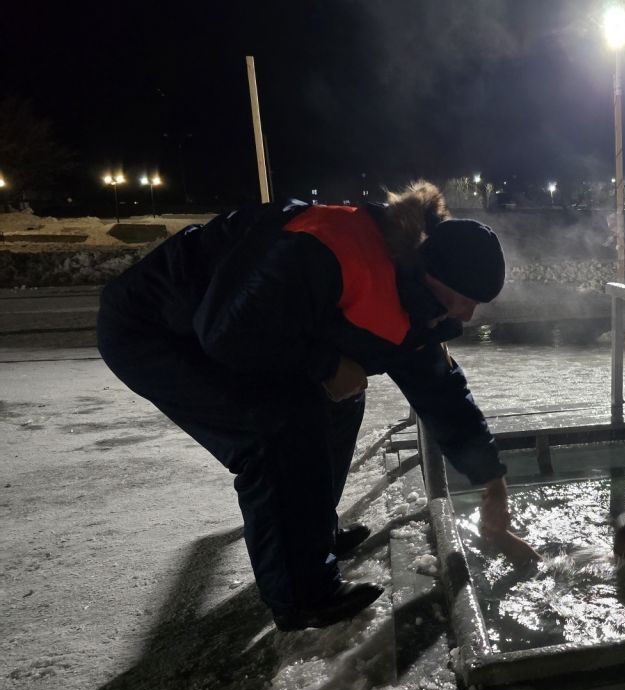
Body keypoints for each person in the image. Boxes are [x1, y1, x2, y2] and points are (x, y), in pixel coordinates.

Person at [97, 180, 517, 631]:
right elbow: (229, 331)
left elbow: (442, 393)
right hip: (158, 329)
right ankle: (301, 596)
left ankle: (313, 535)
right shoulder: (328, 247)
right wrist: (327, 364)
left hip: (242, 329)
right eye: (464, 300)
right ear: (429, 271)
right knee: (276, 428)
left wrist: (492, 482)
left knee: (341, 401)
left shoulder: (421, 298)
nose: (467, 316)